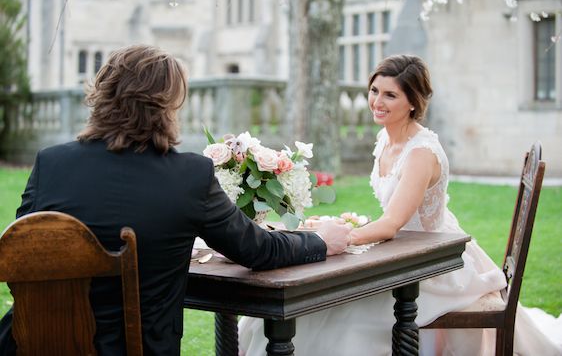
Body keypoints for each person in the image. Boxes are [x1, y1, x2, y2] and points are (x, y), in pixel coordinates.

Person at [0, 44, 352, 356]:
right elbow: (258, 250)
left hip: (27, 344)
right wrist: (320, 240)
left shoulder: (51, 163)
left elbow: (21, 252)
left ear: (102, 96)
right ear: (166, 107)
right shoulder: (188, 176)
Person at [238, 55, 562, 355]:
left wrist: (332, 238)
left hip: (434, 264)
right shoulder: (386, 138)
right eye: (374, 90)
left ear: (412, 102)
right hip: (401, 254)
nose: (377, 102)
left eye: (390, 95)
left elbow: (392, 224)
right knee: (315, 300)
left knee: (342, 313)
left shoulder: (421, 153)